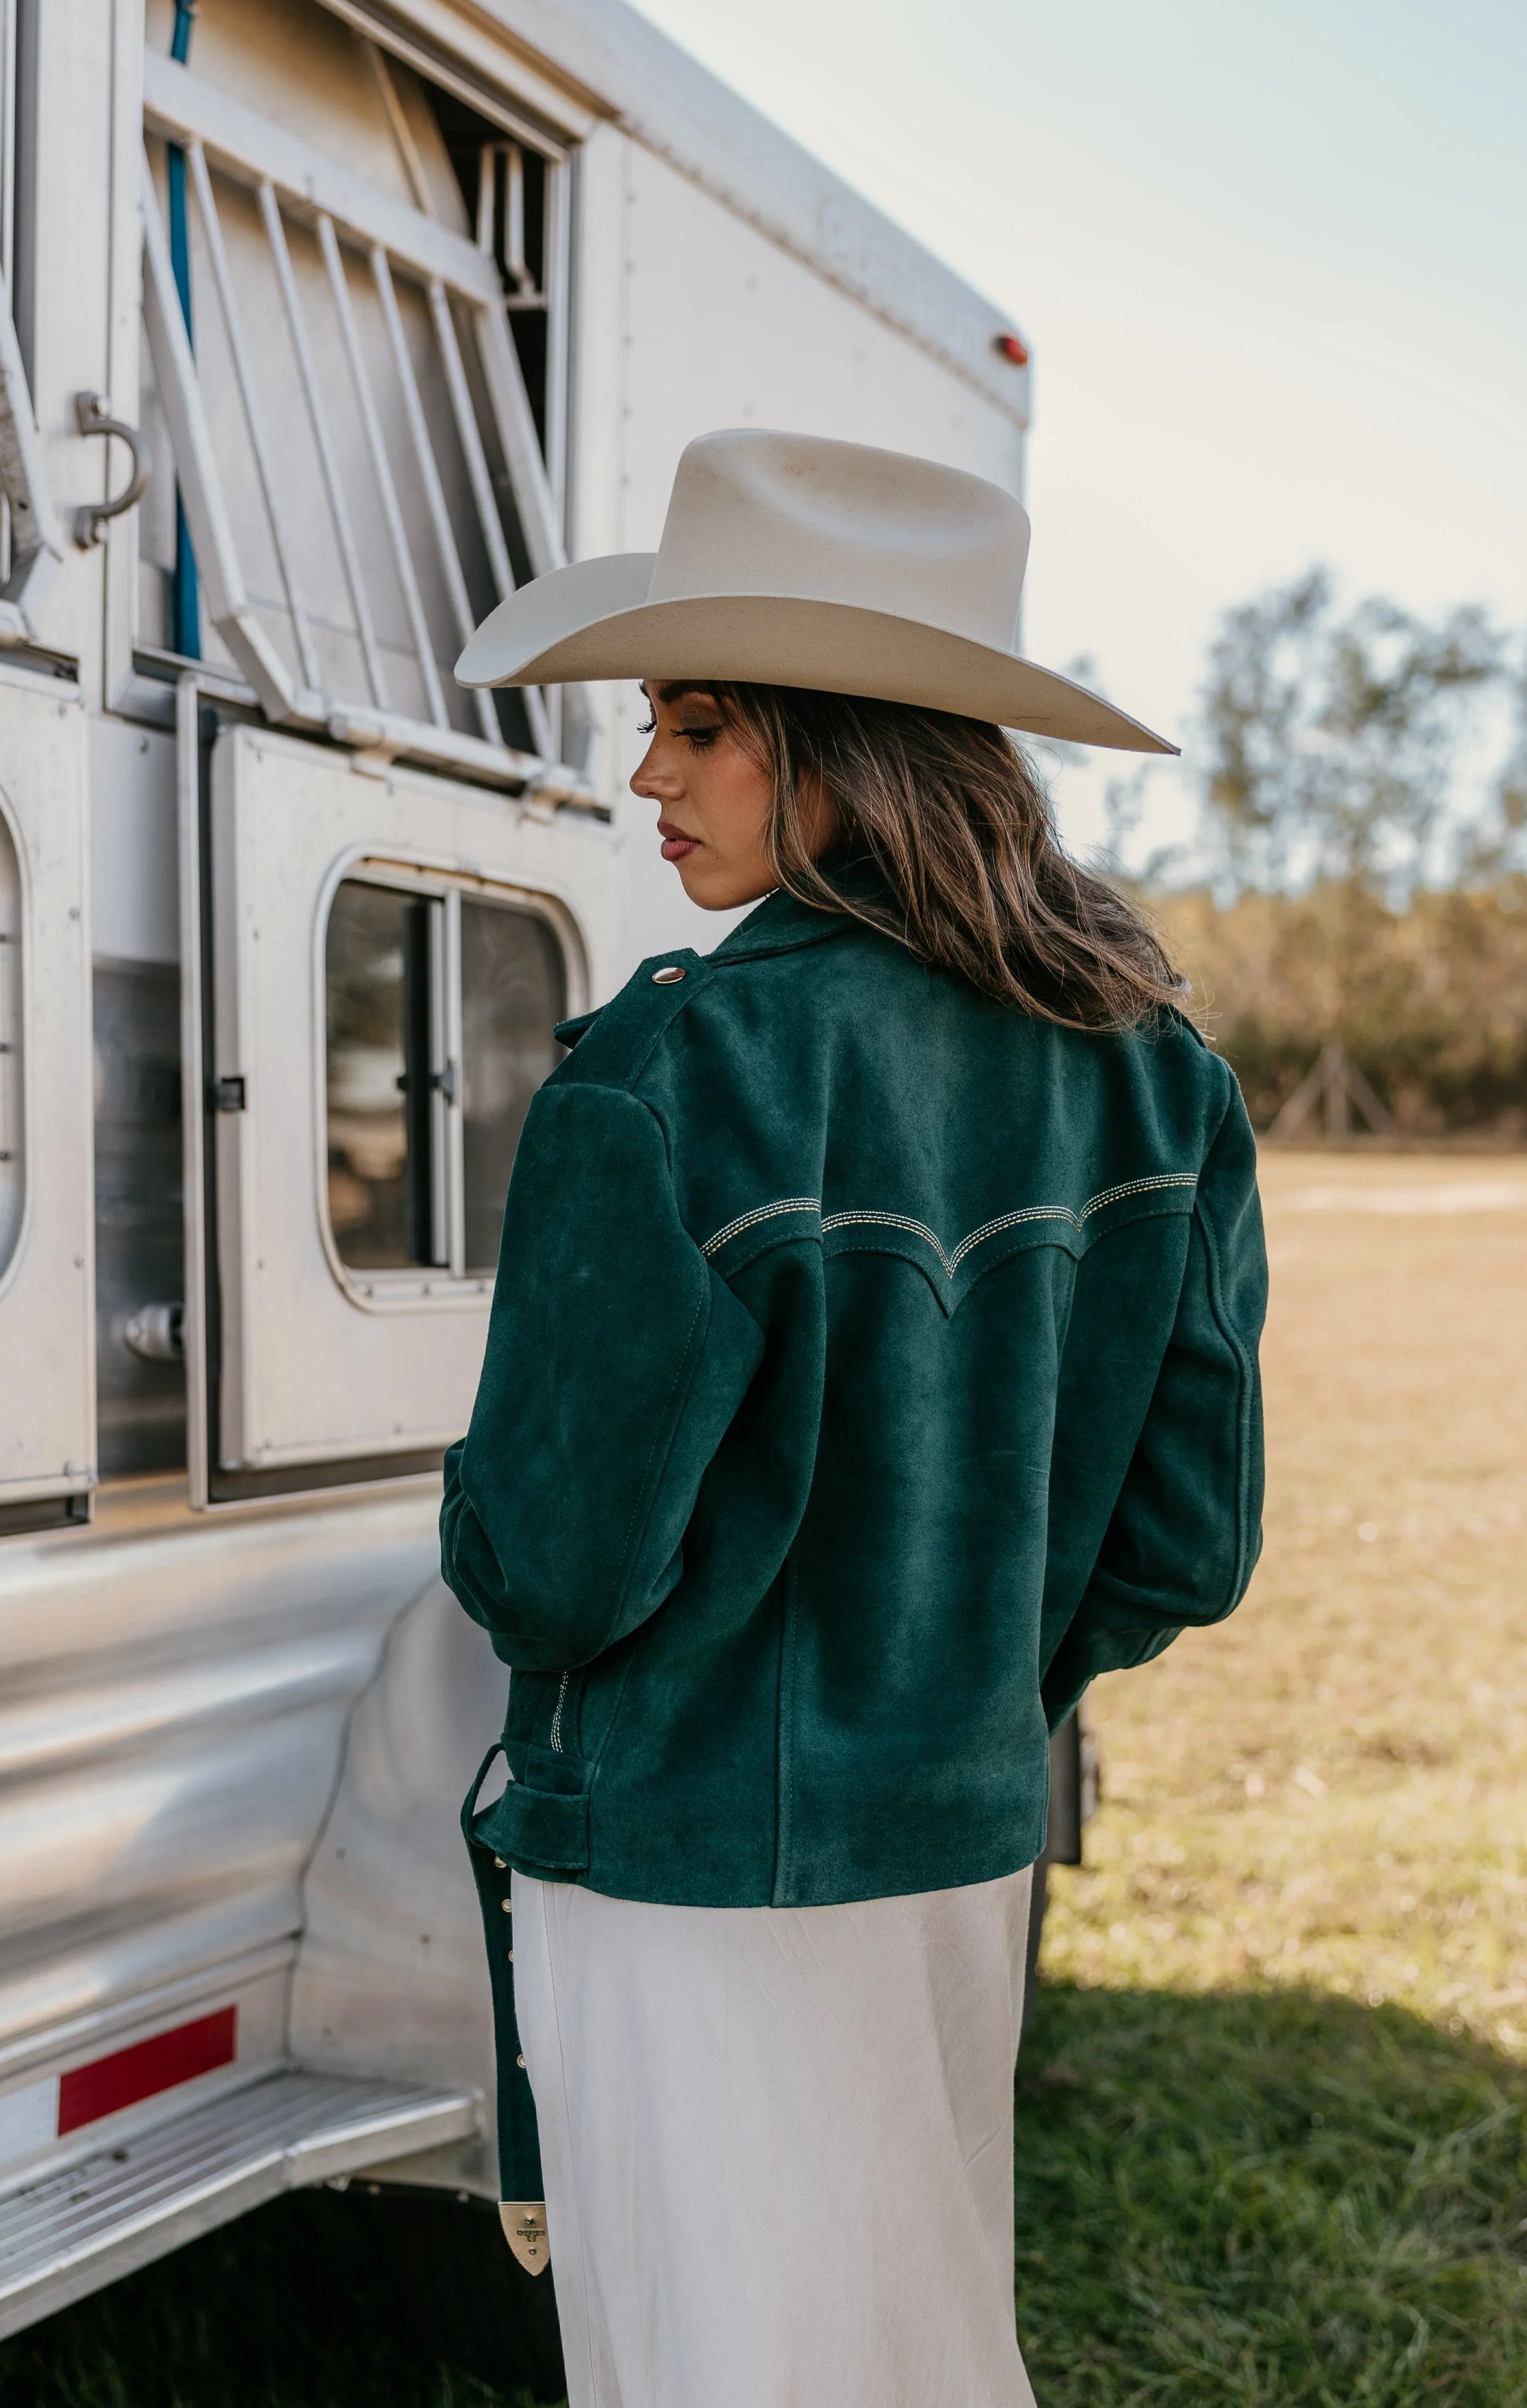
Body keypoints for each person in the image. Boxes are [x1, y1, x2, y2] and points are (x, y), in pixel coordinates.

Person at [442, 428, 1267, 2408]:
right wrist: (960, 1685)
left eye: (700, 725)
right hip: (964, 1847)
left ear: (848, 747)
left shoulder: (668, 1070)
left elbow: (549, 1573)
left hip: (678, 1873)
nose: (645, 773)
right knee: (908, 2344)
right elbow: (1185, 1545)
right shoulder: (1161, 1078)